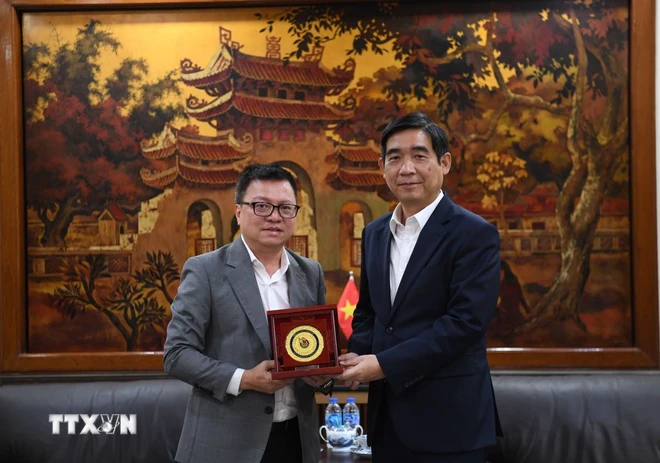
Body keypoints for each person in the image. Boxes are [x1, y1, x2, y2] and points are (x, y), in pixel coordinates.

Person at [338, 112, 502, 462]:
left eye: (419, 155)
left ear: (444, 163)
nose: (406, 168)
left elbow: (465, 324)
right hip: (385, 422)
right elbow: (369, 312)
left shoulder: (474, 234)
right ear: (382, 167)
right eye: (395, 157)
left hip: (449, 421)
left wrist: (381, 364)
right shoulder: (375, 233)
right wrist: (357, 354)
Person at [164, 163, 329, 463]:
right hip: (224, 445)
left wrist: (320, 376)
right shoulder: (205, 270)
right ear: (239, 212)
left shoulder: (311, 273)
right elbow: (177, 354)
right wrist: (245, 379)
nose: (275, 217)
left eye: (285, 208)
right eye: (261, 206)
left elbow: (312, 349)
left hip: (296, 440)